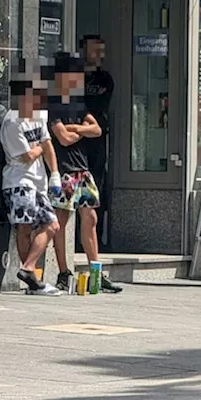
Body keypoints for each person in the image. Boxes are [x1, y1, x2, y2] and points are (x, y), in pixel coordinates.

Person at [49, 51, 123, 294]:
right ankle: (63, 272)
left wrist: (76, 127)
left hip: (83, 170)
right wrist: (80, 130)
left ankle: (96, 272)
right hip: (65, 170)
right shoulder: (53, 104)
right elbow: (65, 138)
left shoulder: (77, 104)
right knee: (60, 221)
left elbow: (97, 129)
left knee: (90, 218)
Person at [0, 78, 63, 296]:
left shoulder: (38, 117)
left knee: (52, 225)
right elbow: (27, 156)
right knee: (24, 228)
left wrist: (54, 173)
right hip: (18, 182)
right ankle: (33, 281)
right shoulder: (12, 122)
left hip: (39, 182)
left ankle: (28, 268)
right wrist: (39, 148)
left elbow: (47, 145)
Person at [81, 34, 114, 248]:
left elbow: (99, 105)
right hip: (75, 141)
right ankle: (76, 239)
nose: (99, 55)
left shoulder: (105, 79)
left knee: (96, 187)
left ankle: (98, 239)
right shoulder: (73, 77)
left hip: (97, 138)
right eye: (94, 50)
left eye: (101, 50)